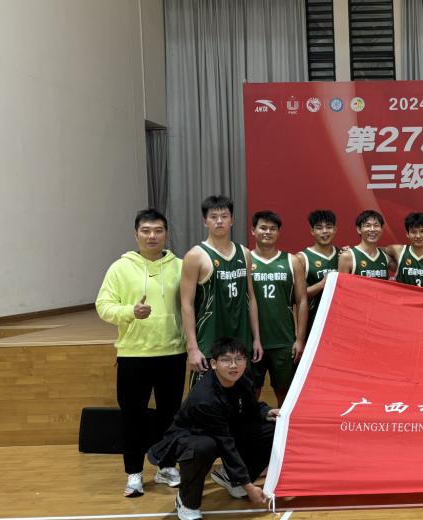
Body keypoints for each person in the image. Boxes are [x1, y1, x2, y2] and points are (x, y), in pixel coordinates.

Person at [95, 209, 186, 497]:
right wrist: (130, 312)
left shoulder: (180, 266)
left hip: (173, 352)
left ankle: (167, 467)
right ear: (136, 234)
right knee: (132, 417)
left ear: (166, 234)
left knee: (170, 416)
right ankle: (134, 473)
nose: (152, 236)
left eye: (158, 230)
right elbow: (103, 306)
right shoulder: (119, 268)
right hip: (133, 355)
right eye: (146, 231)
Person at [148, 337, 278, 520]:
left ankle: (230, 478)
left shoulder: (242, 377)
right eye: (226, 360)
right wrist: (249, 487)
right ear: (214, 364)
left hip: (223, 430)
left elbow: (250, 407)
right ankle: (187, 501)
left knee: (273, 429)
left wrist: (266, 412)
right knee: (203, 447)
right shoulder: (205, 398)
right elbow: (225, 443)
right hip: (191, 438)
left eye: (239, 359)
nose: (234, 365)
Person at [180, 195, 262, 385]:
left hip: (241, 343)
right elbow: (186, 304)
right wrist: (192, 347)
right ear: (205, 221)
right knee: (206, 399)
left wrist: (257, 338)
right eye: (213, 217)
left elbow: (251, 297)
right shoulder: (195, 256)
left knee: (241, 398)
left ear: (232, 220)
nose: (219, 221)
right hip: (209, 344)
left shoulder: (245, 253)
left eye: (224, 216)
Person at [248, 210, 307, 406]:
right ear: (253, 231)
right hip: (252, 340)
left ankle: (282, 426)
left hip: (283, 340)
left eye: (273, 229)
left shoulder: (292, 261)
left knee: (285, 393)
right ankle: (252, 425)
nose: (268, 232)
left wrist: (300, 339)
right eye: (263, 228)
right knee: (251, 391)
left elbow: (302, 300)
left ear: (278, 232)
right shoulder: (245, 260)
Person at [298, 210, 339, 331]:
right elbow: (297, 297)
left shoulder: (343, 256)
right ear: (312, 231)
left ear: (335, 229)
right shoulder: (302, 258)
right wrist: (322, 284)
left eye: (329, 227)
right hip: (313, 324)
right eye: (319, 228)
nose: (325, 231)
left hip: (339, 321)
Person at [389, 212, 423, 289]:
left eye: (422, 231)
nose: (418, 236)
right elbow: (376, 250)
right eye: (413, 232)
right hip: (405, 297)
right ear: (407, 234)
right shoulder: (398, 251)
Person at [337, 210, 391, 279]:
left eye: (376, 225)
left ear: (381, 229)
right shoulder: (347, 256)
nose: (372, 229)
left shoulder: (386, 257)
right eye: (368, 225)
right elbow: (342, 284)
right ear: (359, 229)